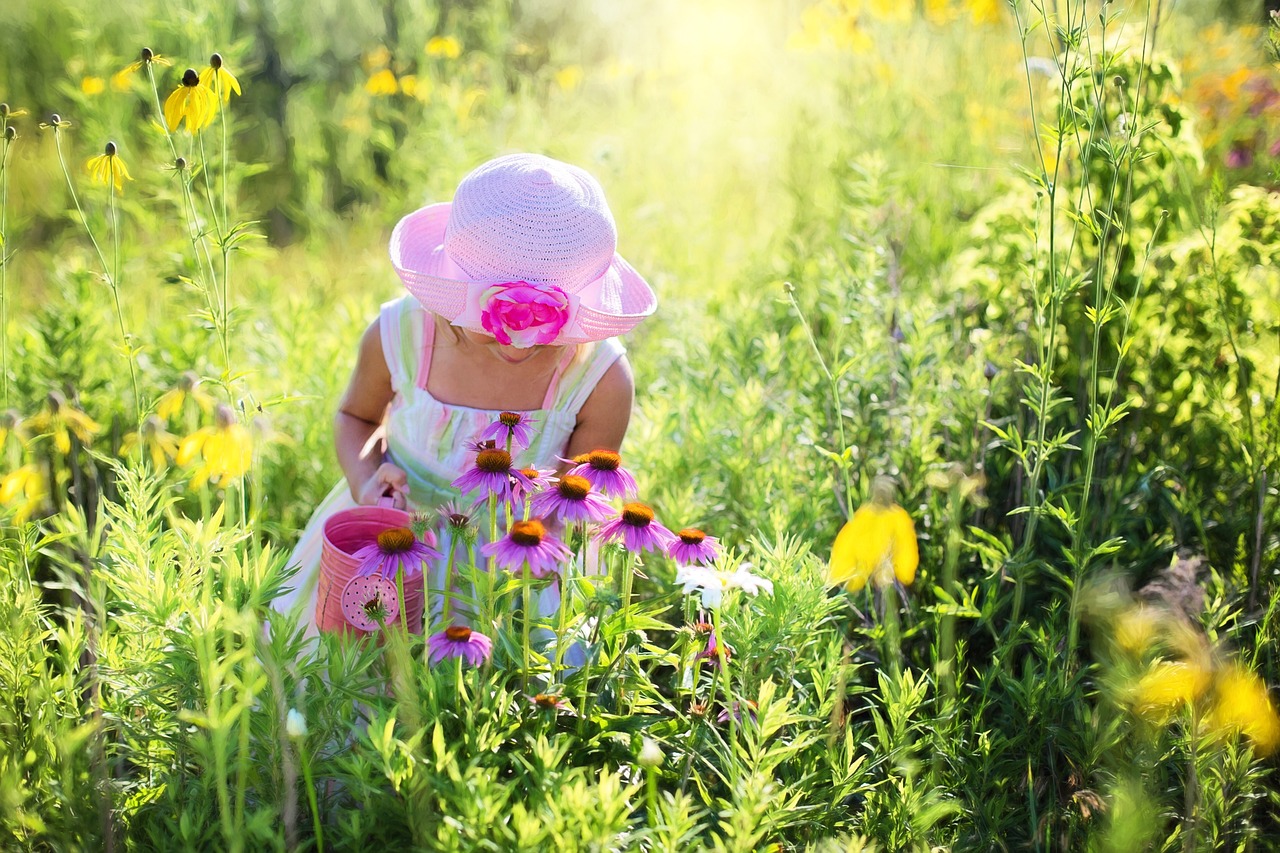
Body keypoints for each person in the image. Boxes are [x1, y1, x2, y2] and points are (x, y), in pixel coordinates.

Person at [272, 152, 657, 639]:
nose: (519, 338)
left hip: (513, 561)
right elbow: (356, 416)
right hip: (396, 537)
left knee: (503, 688)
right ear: (450, 293)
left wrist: (550, 539)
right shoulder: (401, 336)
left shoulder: (599, 377)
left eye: (542, 326)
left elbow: (579, 496)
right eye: (499, 324)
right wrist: (365, 481)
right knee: (358, 677)